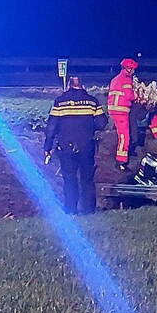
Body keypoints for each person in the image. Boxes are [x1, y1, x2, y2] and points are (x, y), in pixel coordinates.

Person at [43, 76, 107, 214]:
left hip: (65, 146)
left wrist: (47, 147)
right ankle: (88, 210)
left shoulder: (59, 102)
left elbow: (51, 127)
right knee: (87, 178)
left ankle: (71, 209)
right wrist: (89, 127)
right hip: (86, 145)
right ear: (82, 84)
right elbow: (102, 123)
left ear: (69, 85)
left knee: (69, 178)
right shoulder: (92, 101)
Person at [107, 58, 139, 171]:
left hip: (115, 110)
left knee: (122, 135)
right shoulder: (126, 80)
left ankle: (122, 156)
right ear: (128, 69)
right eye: (133, 70)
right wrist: (139, 94)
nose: (134, 72)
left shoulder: (116, 78)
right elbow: (130, 96)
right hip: (121, 111)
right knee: (124, 136)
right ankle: (121, 161)